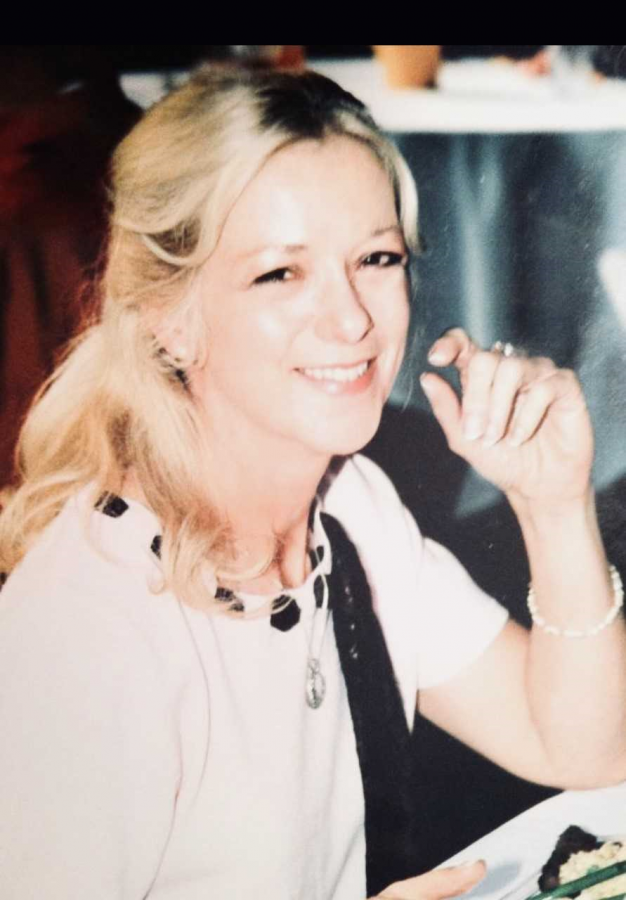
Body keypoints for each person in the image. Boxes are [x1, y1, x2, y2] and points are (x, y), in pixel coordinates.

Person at [0, 66, 625, 900]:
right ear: (169, 317)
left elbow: (582, 747)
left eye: (376, 258)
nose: (354, 319)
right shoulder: (88, 625)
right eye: (281, 273)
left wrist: (553, 506)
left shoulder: (349, 508)